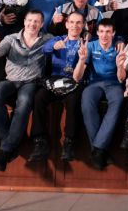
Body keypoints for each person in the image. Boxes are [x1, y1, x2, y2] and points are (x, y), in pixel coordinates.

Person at [0, 10, 51, 171]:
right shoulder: (11, 38)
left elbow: (65, 42)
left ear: (42, 24)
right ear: (24, 22)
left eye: (36, 21)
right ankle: (9, 144)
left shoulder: (47, 39)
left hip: (31, 82)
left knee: (24, 103)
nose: (32, 24)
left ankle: (5, 151)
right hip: (11, 80)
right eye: (30, 20)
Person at [29, 12, 88, 163]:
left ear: (83, 25)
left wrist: (119, 39)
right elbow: (45, 49)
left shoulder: (87, 43)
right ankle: (39, 141)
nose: (75, 26)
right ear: (66, 24)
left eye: (78, 23)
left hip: (74, 83)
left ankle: (69, 142)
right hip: (55, 81)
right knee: (39, 97)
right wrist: (54, 46)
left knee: (74, 101)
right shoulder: (57, 39)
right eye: (72, 22)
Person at [73, 19, 126, 170]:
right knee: (86, 102)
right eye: (101, 31)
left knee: (117, 102)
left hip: (114, 84)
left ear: (113, 33)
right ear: (97, 32)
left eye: (108, 32)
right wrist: (81, 60)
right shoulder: (90, 46)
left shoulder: (119, 47)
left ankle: (96, 149)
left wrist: (120, 66)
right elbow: (76, 77)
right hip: (94, 83)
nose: (104, 35)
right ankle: (100, 150)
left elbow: (121, 79)